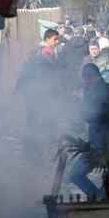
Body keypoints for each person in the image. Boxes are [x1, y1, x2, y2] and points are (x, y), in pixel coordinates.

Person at [68, 63, 109, 196]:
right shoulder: (91, 90)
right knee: (78, 174)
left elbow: (101, 116)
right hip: (98, 142)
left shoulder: (107, 92)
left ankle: (101, 199)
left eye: (86, 79)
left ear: (92, 77)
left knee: (78, 174)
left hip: (108, 144)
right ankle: (99, 198)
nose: (85, 83)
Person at [16, 29, 63, 162]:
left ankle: (42, 156)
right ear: (47, 39)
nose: (57, 42)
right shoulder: (40, 56)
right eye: (55, 39)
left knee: (46, 127)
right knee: (36, 127)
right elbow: (38, 78)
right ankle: (33, 157)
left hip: (48, 99)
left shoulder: (52, 54)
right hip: (38, 100)